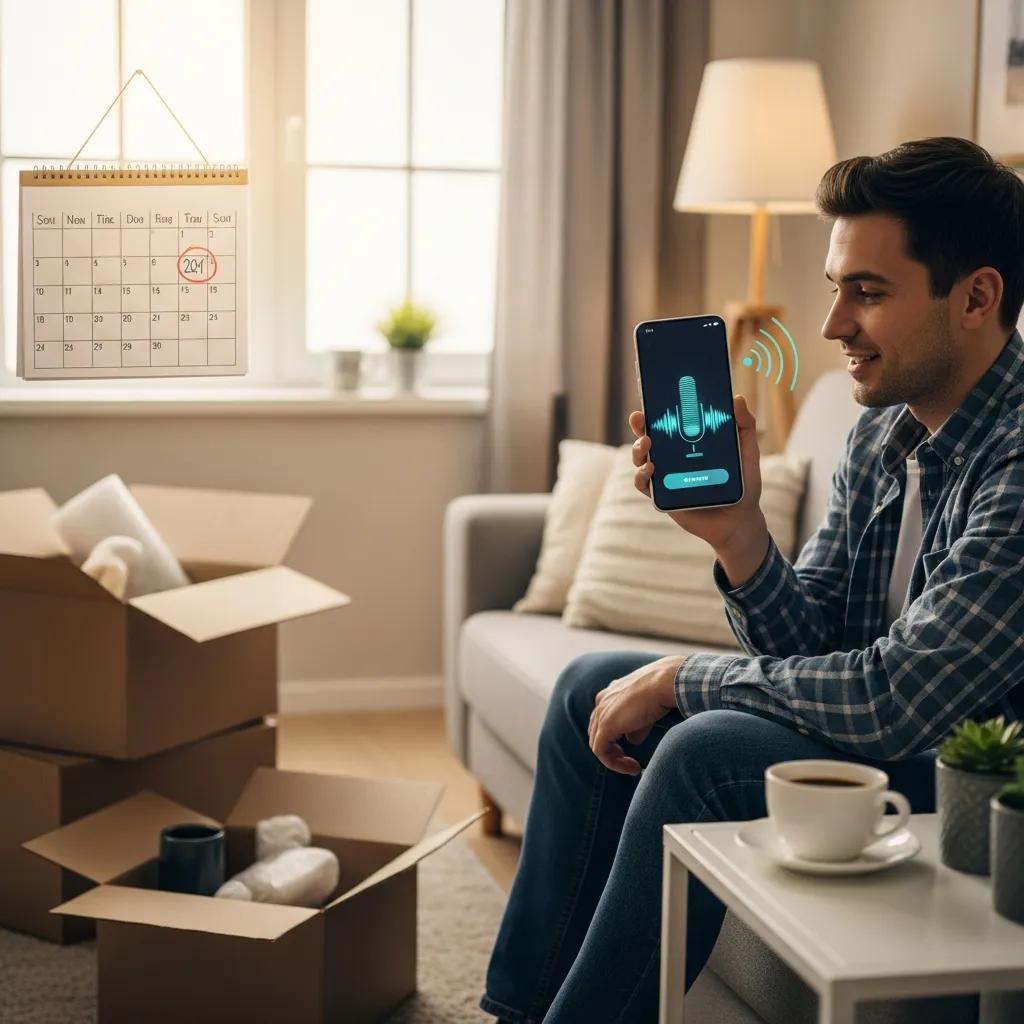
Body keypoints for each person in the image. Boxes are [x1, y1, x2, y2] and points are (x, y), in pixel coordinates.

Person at [479, 136, 1024, 1024]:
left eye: (867, 292)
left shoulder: (1017, 461)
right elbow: (815, 644)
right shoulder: (883, 434)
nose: (833, 325)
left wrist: (682, 678)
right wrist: (739, 536)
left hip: (976, 789)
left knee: (700, 749)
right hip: (887, 738)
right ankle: (519, 1013)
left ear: (976, 297)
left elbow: (896, 700)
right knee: (589, 688)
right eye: (836, 288)